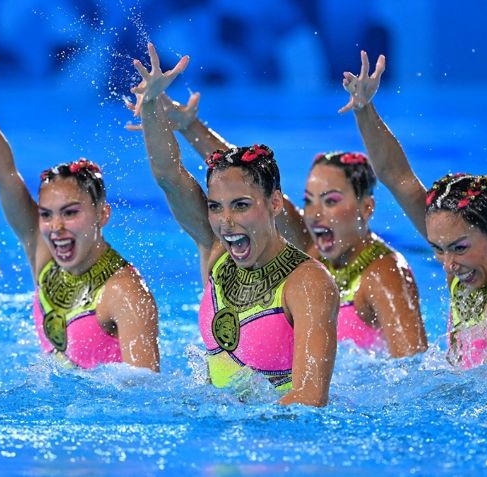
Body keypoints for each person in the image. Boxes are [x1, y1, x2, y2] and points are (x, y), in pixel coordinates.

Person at [125, 90, 427, 358]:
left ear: (366, 207)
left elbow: (411, 368)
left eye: (331, 201)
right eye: (309, 201)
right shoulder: (310, 252)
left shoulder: (383, 273)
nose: (315, 214)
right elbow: (243, 182)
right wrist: (190, 126)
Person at [0, 29, 160, 371]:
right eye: (47, 214)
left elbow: (147, 395)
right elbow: (3, 173)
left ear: (102, 214)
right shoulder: (43, 251)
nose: (56, 227)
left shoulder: (125, 293)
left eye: (71, 213)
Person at [133, 42, 337, 406]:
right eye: (215, 207)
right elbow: (168, 175)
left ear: (274, 203)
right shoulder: (215, 251)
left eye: (241, 206)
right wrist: (151, 104)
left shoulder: (308, 283)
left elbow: (309, 398)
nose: (226, 222)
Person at [340, 50, 487, 368]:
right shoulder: (473, 263)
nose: (448, 265)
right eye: (438, 249)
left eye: (458, 248)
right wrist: (364, 109)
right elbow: (397, 177)